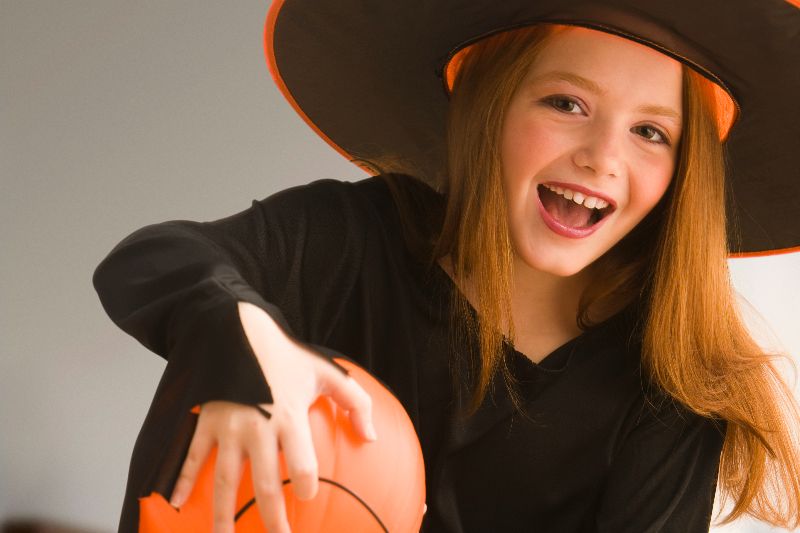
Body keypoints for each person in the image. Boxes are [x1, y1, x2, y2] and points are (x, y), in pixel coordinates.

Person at [92, 1, 800, 532]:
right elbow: (152, 260)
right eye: (566, 103)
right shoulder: (359, 237)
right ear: (487, 107)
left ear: (683, 173)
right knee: (219, 336)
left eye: (651, 131)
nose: (602, 156)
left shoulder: (670, 393)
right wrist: (238, 336)